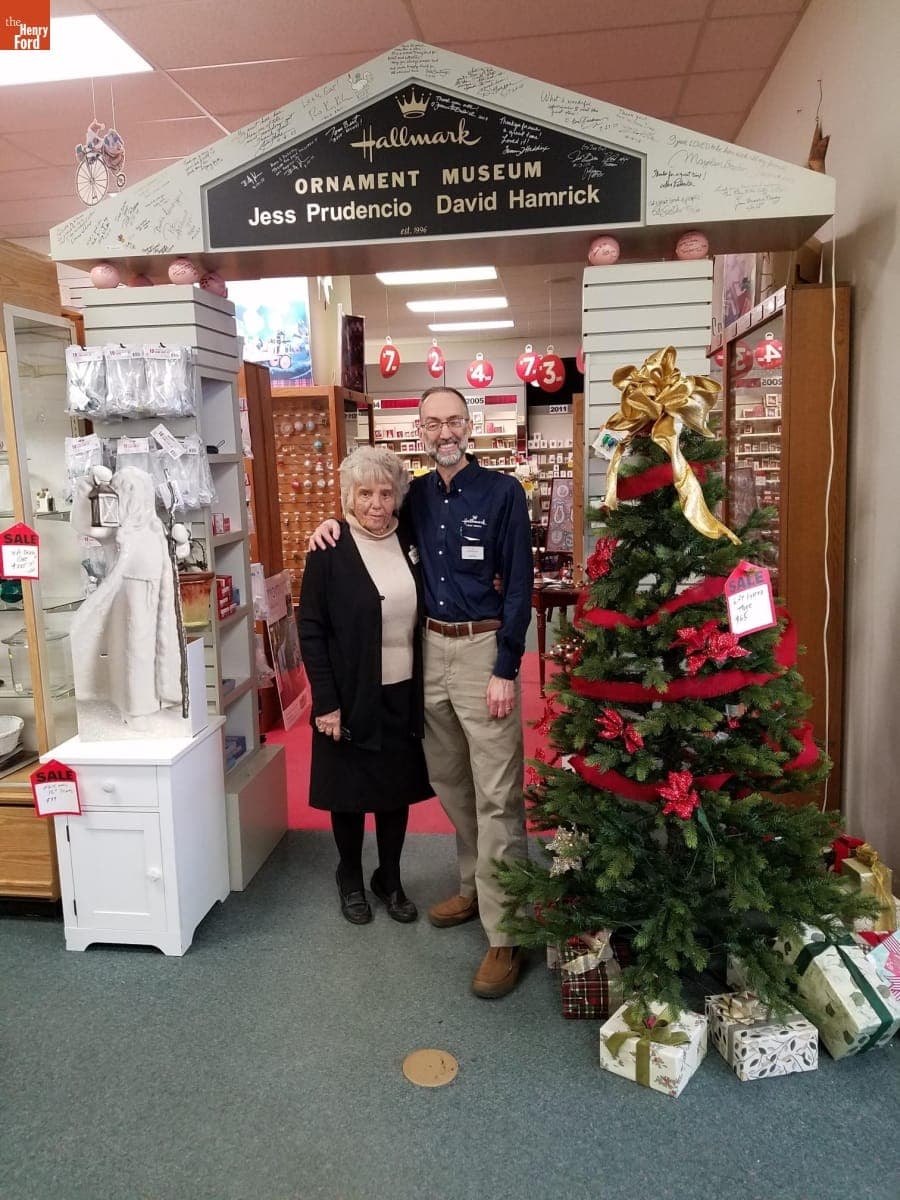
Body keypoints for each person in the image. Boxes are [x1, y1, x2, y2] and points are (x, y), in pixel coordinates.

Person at [310, 387, 534, 997]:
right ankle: (472, 887)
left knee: (496, 792)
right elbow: (369, 523)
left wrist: (507, 668)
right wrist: (332, 521)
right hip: (427, 650)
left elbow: (519, 587)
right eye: (432, 423)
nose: (444, 432)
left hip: (483, 649)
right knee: (450, 780)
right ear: (421, 429)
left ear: (471, 425)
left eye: (454, 421)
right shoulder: (415, 497)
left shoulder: (503, 493)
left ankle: (506, 933)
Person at [299, 445, 432, 926]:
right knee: (349, 793)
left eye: (384, 492)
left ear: (398, 496)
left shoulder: (410, 539)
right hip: (349, 696)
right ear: (347, 498)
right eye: (364, 493)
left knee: (395, 793)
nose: (376, 504)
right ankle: (350, 877)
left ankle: (389, 878)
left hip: (403, 692)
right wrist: (326, 702)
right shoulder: (329, 549)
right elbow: (311, 629)